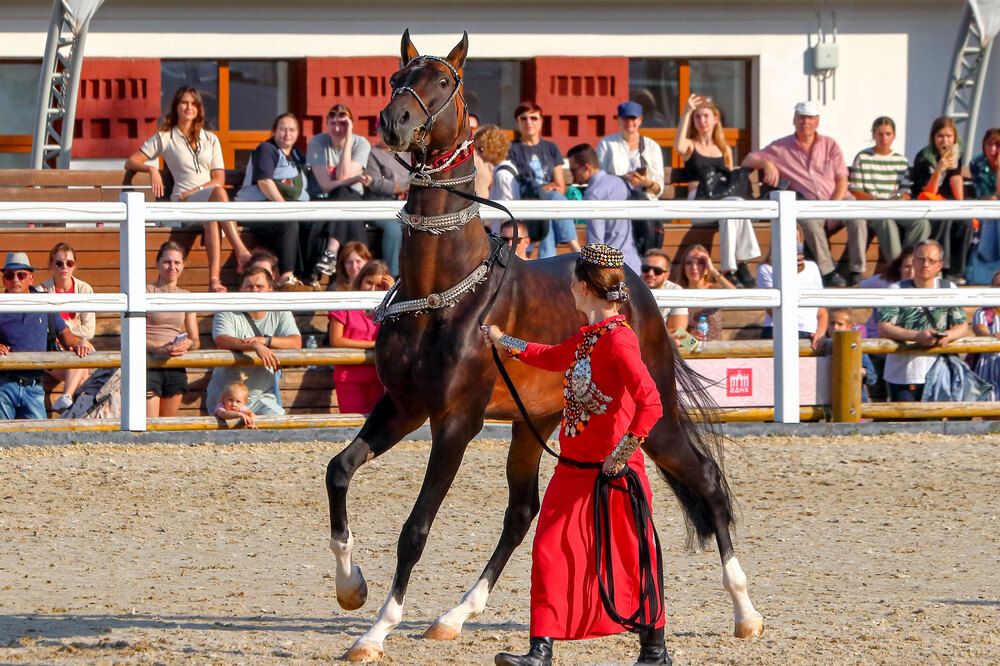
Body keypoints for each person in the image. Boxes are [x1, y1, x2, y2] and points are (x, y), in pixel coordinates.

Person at [482, 243, 667, 666]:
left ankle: (654, 650)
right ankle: (540, 648)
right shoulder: (589, 338)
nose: (567, 288)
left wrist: (623, 452)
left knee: (633, 557)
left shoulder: (620, 342)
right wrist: (503, 340)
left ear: (584, 288)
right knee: (548, 548)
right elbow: (553, 357)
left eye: (571, 283)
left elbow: (651, 402)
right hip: (573, 469)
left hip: (613, 473)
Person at [126, 87, 251, 293]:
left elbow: (219, 178)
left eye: (193, 104)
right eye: (184, 103)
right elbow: (131, 161)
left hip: (203, 201)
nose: (189, 107)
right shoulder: (166, 136)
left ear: (199, 109)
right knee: (218, 196)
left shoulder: (210, 139)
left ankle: (213, 280)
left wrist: (197, 190)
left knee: (213, 208)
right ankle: (242, 251)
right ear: (176, 106)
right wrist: (151, 168)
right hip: (183, 205)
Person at [742, 101, 863, 287]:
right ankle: (828, 271)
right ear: (794, 120)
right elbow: (748, 159)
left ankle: (856, 271)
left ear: (817, 122)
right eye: (801, 118)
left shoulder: (830, 145)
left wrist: (833, 206)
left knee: (857, 215)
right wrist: (767, 164)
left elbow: (841, 179)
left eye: (810, 118)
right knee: (809, 221)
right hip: (809, 204)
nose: (805, 122)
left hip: (837, 198)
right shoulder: (781, 148)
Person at [674, 93, 760, 288]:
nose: (702, 120)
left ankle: (733, 268)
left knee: (734, 206)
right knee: (732, 208)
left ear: (715, 118)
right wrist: (686, 112)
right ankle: (740, 265)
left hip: (722, 204)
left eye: (705, 116)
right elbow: (678, 145)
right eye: (697, 116)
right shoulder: (690, 146)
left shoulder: (724, 149)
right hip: (698, 204)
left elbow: (729, 184)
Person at [0, 252, 94, 420]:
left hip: (34, 384)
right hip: (4, 384)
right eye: (9, 275)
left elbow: (66, 336)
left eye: (21, 275)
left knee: (38, 440)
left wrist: (80, 343)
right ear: (3, 279)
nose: (15, 279)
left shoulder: (45, 301)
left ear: (30, 279)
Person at [877, 240, 970, 401]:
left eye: (931, 260)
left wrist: (947, 335)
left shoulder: (948, 289)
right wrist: (917, 336)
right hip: (903, 374)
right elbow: (884, 327)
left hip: (939, 371)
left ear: (939, 265)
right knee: (906, 424)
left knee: (935, 424)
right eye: (920, 259)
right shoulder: (896, 290)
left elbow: (962, 326)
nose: (925, 264)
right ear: (913, 262)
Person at [206, 267, 302, 415]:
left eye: (259, 286)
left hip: (262, 396)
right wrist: (254, 345)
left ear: (270, 290)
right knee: (226, 438)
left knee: (277, 426)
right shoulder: (226, 310)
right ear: (240, 290)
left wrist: (265, 341)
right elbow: (222, 340)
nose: (254, 291)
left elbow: (295, 343)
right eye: (249, 287)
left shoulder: (280, 311)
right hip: (226, 397)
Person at [235, 112, 308, 289]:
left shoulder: (297, 155)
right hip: (256, 209)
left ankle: (308, 275)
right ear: (274, 131)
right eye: (282, 129)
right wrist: (284, 209)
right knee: (289, 222)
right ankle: (286, 275)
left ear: (297, 133)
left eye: (291, 130)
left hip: (280, 209)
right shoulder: (266, 150)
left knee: (316, 223)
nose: (287, 134)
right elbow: (264, 182)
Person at [849, 116, 928, 265]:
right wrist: (877, 201)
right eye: (880, 134)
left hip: (896, 207)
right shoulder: (863, 157)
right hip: (873, 208)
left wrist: (896, 197)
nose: (884, 138)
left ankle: (909, 261)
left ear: (894, 136)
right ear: (874, 135)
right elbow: (856, 191)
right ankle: (897, 267)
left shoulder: (901, 160)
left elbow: (906, 193)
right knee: (887, 221)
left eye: (888, 134)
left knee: (922, 222)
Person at [306, 104, 373, 280]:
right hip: (325, 199)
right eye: (333, 123)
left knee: (345, 194)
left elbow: (342, 176)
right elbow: (327, 186)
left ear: (350, 124)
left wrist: (349, 137)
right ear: (326, 124)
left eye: (343, 124)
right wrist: (357, 179)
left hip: (352, 199)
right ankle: (361, 273)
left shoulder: (360, 143)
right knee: (347, 206)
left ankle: (330, 252)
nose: (337, 128)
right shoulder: (317, 142)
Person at [508, 101, 581, 258]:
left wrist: (548, 191)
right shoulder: (512, 150)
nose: (529, 122)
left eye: (534, 118)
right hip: (526, 201)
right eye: (524, 118)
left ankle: (547, 259)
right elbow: (516, 185)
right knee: (552, 200)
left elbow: (560, 185)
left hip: (548, 204)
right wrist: (543, 190)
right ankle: (574, 246)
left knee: (550, 206)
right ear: (518, 122)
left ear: (541, 121)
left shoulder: (551, 148)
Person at [328, 261, 393, 415]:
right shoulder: (345, 302)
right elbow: (336, 341)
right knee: (352, 426)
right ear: (361, 280)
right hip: (348, 377)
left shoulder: (386, 309)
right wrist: (372, 344)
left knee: (375, 427)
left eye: (378, 285)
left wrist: (390, 294)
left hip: (377, 376)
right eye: (369, 282)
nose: (372, 289)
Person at [567, 143, 641, 274]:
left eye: (573, 170)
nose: (572, 175)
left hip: (611, 268)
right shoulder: (619, 182)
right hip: (633, 262)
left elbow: (596, 241)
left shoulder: (594, 193)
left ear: (586, 167)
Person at [910, 116, 969, 283]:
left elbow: (956, 179)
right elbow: (928, 191)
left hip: (948, 202)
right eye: (941, 136)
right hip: (929, 204)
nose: (945, 140)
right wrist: (939, 168)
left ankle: (958, 271)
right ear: (934, 137)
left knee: (965, 222)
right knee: (944, 218)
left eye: (949, 136)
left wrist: (962, 206)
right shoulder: (923, 157)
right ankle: (943, 267)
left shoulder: (955, 154)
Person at [146, 241, 200, 418]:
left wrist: (186, 344)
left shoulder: (187, 296)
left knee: (166, 426)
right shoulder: (145, 292)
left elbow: (196, 340)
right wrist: (157, 347)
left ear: (183, 265)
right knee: (149, 425)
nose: (172, 267)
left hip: (174, 363)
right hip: (148, 362)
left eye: (177, 262)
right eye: (167, 262)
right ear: (157, 264)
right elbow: (131, 335)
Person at [41, 242, 96, 413]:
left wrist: (64, 327)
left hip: (74, 348)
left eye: (69, 263)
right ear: (51, 265)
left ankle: (66, 401)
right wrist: (73, 324)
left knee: (83, 347)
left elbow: (89, 330)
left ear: (74, 266)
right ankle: (71, 413)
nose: (64, 267)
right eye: (59, 263)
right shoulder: (42, 291)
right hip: (50, 349)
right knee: (84, 372)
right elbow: (43, 330)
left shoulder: (84, 289)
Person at [756, 227, 828, 349]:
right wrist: (789, 269)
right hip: (779, 331)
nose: (792, 245)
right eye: (787, 240)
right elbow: (772, 310)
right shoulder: (767, 268)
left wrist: (820, 332)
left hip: (809, 333)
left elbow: (821, 311)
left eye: (796, 241)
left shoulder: (812, 267)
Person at [596, 100, 665, 200]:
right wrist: (622, 179)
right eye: (625, 118)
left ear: (640, 120)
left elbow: (658, 189)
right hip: (616, 201)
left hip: (645, 202)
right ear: (618, 120)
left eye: (633, 117)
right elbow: (599, 179)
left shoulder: (652, 146)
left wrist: (646, 182)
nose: (629, 121)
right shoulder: (606, 143)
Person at [363, 140, 408, 276]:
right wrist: (404, 186)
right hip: (379, 206)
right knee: (393, 229)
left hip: (405, 205)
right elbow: (375, 183)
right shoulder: (372, 154)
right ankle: (392, 277)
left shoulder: (407, 153)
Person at [677, 244, 736, 341]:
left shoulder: (715, 289)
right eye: (689, 263)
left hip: (715, 351)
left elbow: (737, 296)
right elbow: (673, 329)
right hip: (688, 349)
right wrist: (688, 338)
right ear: (684, 268)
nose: (694, 267)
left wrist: (713, 270)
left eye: (700, 263)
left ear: (706, 267)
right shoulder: (677, 292)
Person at [826, 308, 878, 402]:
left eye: (840, 324)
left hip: (853, 402)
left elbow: (872, 377)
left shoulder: (855, 347)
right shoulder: (822, 346)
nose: (835, 327)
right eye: (832, 323)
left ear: (849, 327)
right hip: (828, 400)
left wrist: (862, 372)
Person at [641, 248, 688, 334]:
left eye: (657, 271)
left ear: (667, 275)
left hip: (663, 345)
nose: (650, 274)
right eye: (646, 268)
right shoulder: (629, 288)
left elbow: (677, 330)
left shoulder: (675, 291)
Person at [475, 125, 520, 209]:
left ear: (493, 146)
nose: (477, 153)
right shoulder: (501, 171)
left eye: (480, 149)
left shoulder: (502, 174)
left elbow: (507, 207)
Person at [971, 268, 1000, 396]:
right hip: (988, 368)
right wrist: (991, 337)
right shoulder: (983, 312)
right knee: (990, 409)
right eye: (998, 285)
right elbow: (980, 329)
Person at [970, 127, 1000, 200]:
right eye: (989, 144)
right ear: (984, 145)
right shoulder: (976, 163)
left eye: (998, 145)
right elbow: (983, 196)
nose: (993, 149)